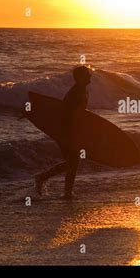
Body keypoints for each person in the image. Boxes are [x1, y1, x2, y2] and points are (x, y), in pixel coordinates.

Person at [34, 66, 92, 199]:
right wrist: (65, 136)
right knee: (73, 162)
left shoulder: (81, 90)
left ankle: (66, 191)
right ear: (80, 77)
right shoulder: (76, 93)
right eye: (87, 74)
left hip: (72, 131)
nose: (90, 76)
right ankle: (43, 178)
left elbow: (79, 113)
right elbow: (67, 115)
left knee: (73, 162)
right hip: (67, 131)